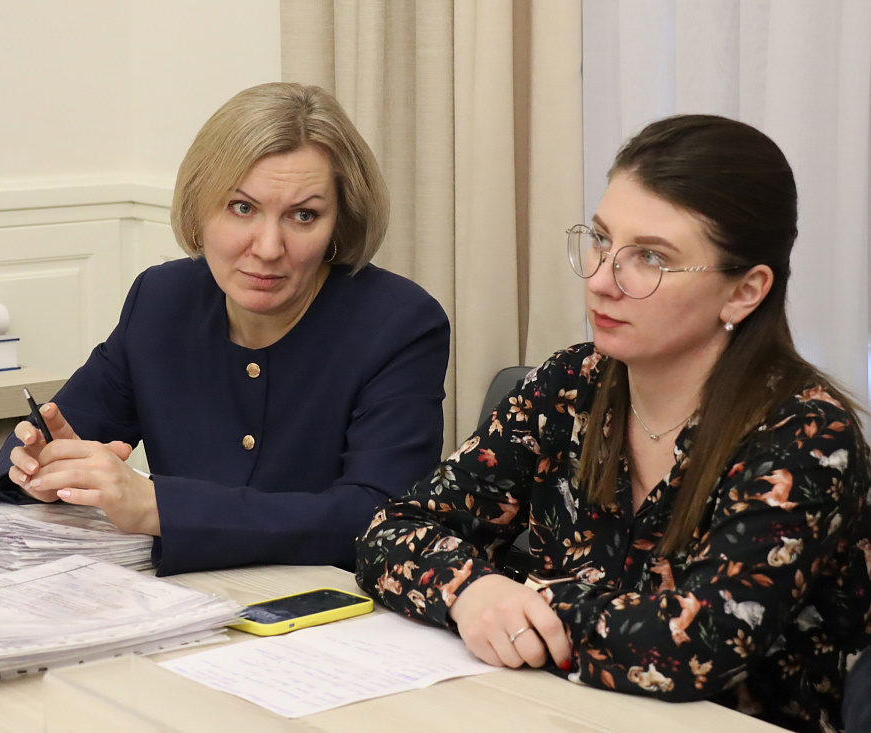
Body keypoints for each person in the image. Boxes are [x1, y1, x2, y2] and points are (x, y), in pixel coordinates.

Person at [356, 114, 871, 732]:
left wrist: (523, 602)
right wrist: (473, 592)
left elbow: (695, 645)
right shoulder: (569, 385)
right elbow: (392, 530)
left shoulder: (806, 437)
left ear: (744, 291)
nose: (601, 280)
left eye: (650, 258)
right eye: (601, 240)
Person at [0, 82, 450, 577]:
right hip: (184, 597)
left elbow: (378, 517)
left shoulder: (400, 323)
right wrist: (47, 468)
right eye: (243, 208)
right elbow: (42, 439)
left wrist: (158, 507)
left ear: (338, 225)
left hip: (334, 606)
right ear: (199, 209)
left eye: (303, 215)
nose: (268, 247)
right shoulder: (162, 299)